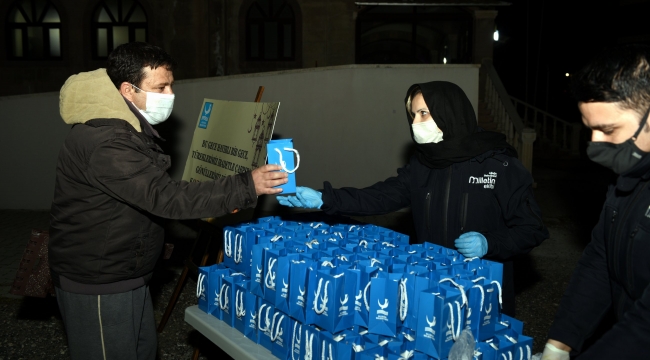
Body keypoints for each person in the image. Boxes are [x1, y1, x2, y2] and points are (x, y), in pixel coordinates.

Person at [48, 42, 287, 360]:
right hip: (99, 280)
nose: (169, 94)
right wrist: (247, 184)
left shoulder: (127, 129)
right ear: (128, 90)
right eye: (160, 87)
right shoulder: (107, 143)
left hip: (122, 271)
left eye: (171, 85)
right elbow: (165, 197)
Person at [277, 80, 549, 316]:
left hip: (483, 291)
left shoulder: (498, 165)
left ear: (448, 113)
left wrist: (490, 243)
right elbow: (380, 196)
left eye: (423, 113)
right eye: (413, 115)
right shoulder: (423, 164)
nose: (415, 123)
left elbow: (532, 228)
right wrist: (324, 198)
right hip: (431, 285)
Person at [539, 44, 650, 360]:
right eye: (590, 130)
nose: (594, 146)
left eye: (608, 130)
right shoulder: (629, 172)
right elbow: (600, 261)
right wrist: (559, 344)